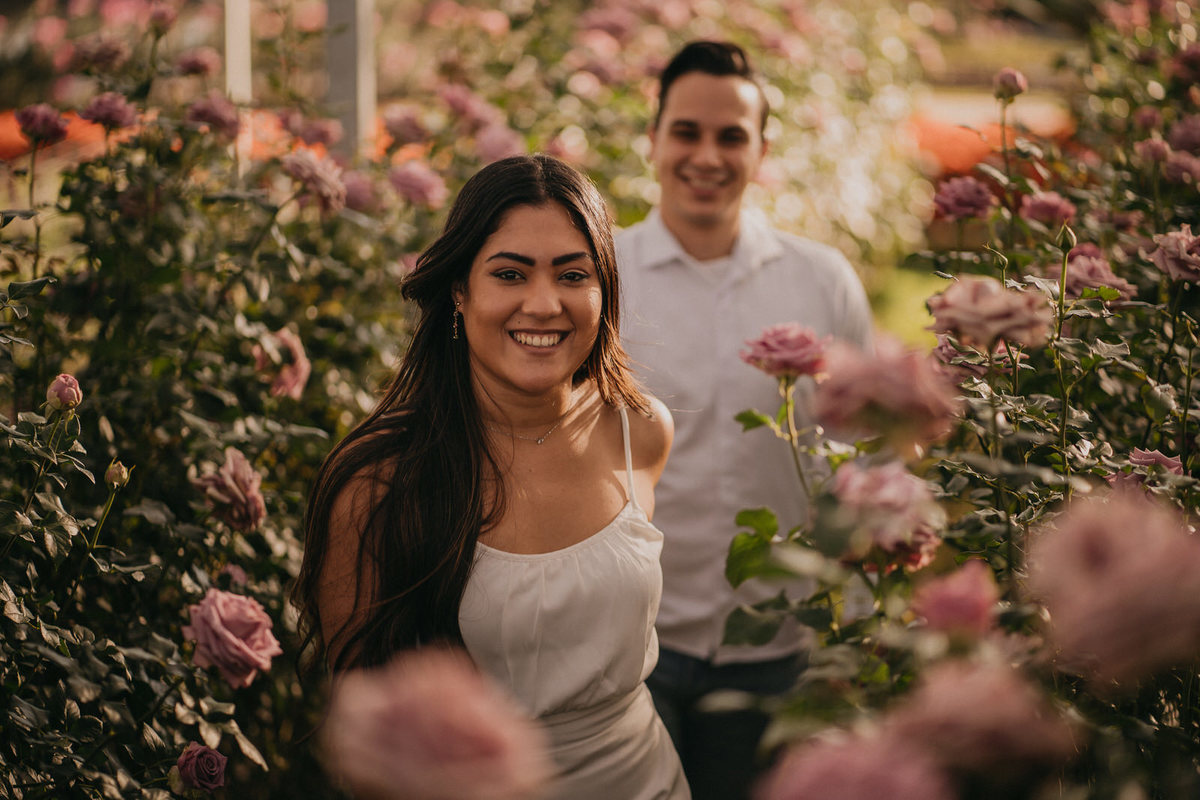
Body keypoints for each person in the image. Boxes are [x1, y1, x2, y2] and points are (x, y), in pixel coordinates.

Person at [293, 153, 690, 800]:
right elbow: (365, 734)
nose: (544, 303)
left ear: (604, 289)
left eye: (573, 274)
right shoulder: (379, 483)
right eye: (510, 273)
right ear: (458, 290)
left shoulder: (640, 430)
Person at [616, 41, 875, 800]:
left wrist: (851, 622)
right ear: (655, 139)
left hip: (779, 645)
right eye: (687, 131)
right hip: (631, 645)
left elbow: (864, 458)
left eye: (732, 136)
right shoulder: (601, 275)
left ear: (762, 150)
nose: (707, 155)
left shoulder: (822, 280)